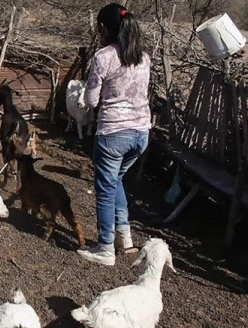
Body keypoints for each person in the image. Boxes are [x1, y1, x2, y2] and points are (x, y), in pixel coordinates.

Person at [77, 3, 150, 266]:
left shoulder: (104, 56)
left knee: (105, 189)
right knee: (116, 180)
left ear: (102, 28)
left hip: (113, 133)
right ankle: (125, 237)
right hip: (141, 133)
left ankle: (105, 249)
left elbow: (92, 99)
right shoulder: (143, 56)